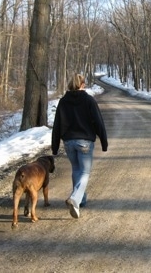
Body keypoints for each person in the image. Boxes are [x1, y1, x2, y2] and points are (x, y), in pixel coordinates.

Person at [51, 73, 108, 219]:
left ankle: (80, 200)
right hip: (85, 142)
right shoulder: (89, 100)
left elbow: (57, 124)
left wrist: (55, 145)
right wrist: (103, 140)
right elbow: (98, 121)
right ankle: (75, 198)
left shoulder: (63, 101)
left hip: (69, 141)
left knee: (76, 169)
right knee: (84, 172)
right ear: (83, 85)